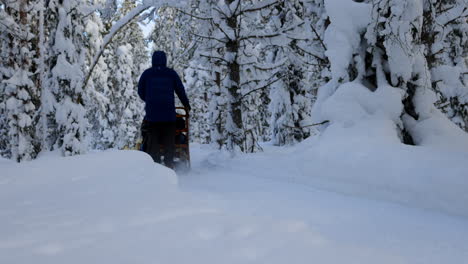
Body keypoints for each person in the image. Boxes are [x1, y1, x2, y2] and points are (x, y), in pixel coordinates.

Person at [138, 51, 190, 168]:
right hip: (168, 115)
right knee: (169, 141)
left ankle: (156, 167)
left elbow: (140, 91)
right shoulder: (171, 74)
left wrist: (150, 100)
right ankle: (169, 164)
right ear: (165, 60)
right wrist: (186, 105)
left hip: (152, 115)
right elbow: (180, 90)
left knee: (153, 142)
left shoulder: (147, 74)